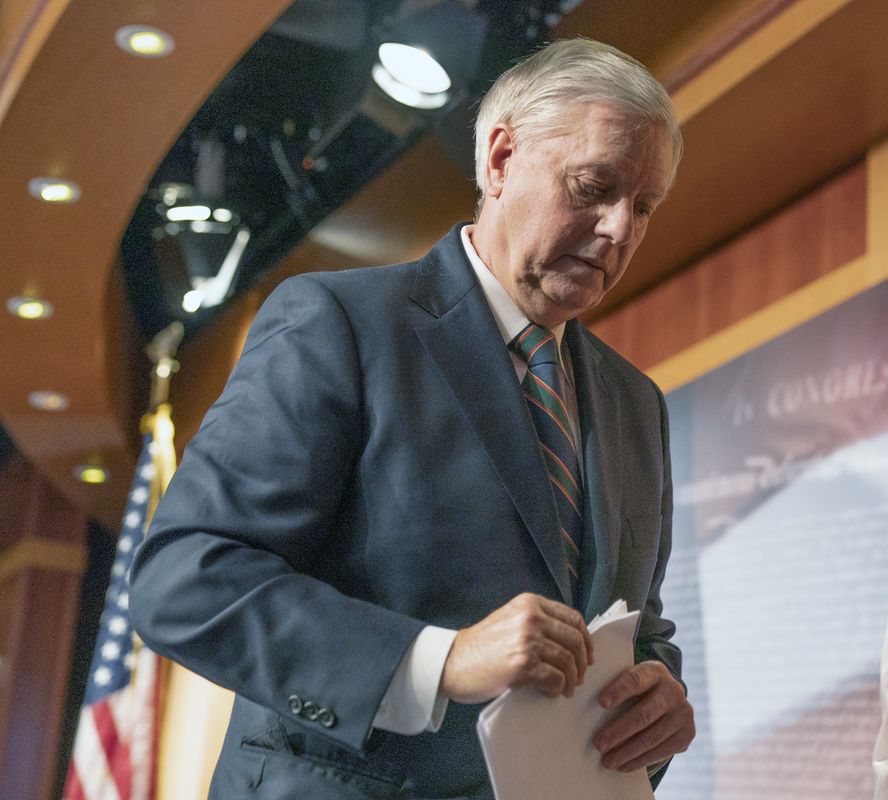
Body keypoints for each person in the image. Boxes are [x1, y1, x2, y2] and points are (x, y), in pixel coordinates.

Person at [130, 37, 695, 799]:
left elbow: (636, 625)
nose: (621, 230)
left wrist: (657, 701)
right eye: (593, 186)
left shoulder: (636, 404)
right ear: (499, 160)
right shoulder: (339, 324)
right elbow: (186, 578)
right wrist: (437, 660)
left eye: (645, 207)